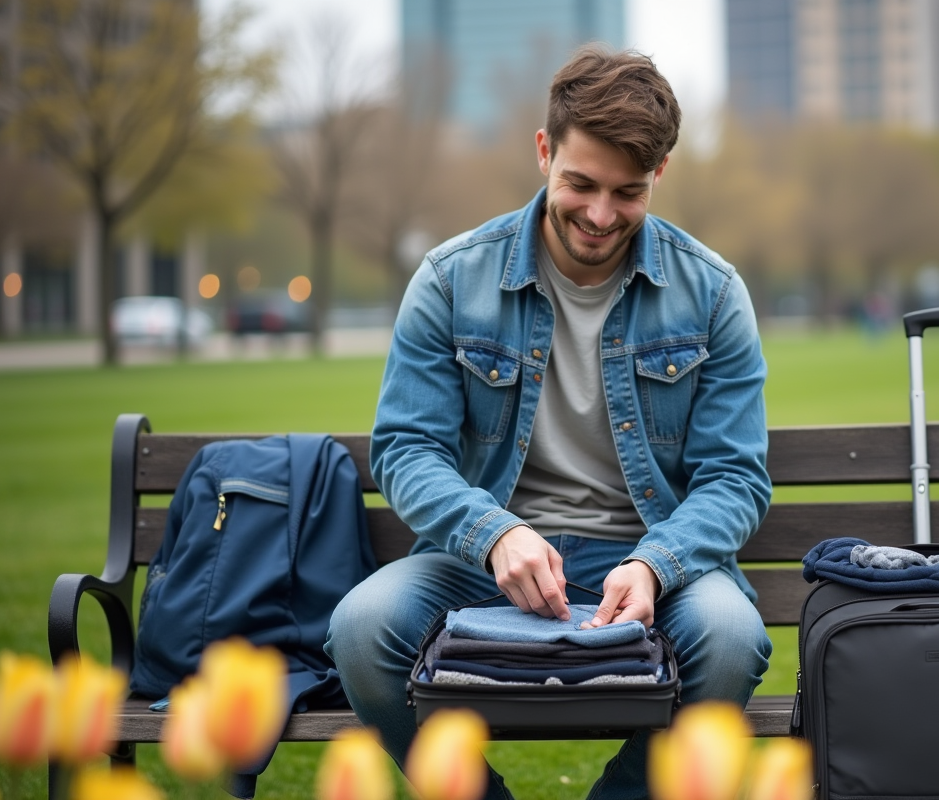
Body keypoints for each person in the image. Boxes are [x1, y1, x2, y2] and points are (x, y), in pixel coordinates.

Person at [325, 45, 772, 800]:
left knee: (729, 642)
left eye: (628, 192)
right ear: (544, 151)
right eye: (581, 184)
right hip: (479, 562)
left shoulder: (714, 292)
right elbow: (406, 449)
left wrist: (656, 565)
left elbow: (735, 479)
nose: (601, 216)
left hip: (650, 562)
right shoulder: (450, 278)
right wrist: (494, 532)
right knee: (363, 629)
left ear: (659, 173)